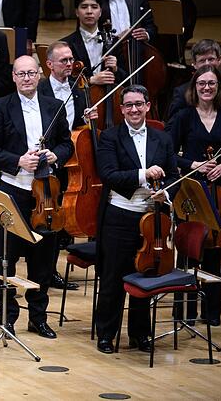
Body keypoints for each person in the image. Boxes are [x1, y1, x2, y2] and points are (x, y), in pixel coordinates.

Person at [0, 55, 73, 340]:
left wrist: (58, 154)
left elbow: (67, 142)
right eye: (21, 74)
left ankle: (38, 318)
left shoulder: (54, 106)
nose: (27, 78)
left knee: (42, 260)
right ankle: (6, 318)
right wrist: (18, 160)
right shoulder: (0, 107)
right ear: (13, 77)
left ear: (40, 75)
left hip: (46, 194)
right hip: (13, 193)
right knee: (6, 259)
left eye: (32, 73)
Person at [93, 84, 180, 354]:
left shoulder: (161, 138)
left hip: (152, 217)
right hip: (120, 216)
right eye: (128, 105)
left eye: (139, 104)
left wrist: (166, 194)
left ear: (147, 106)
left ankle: (141, 334)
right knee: (113, 278)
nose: (134, 109)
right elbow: (108, 175)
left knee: (146, 274)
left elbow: (174, 175)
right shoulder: (109, 137)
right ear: (121, 109)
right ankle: (107, 334)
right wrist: (144, 174)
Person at [166, 65, 221, 325]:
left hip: (220, 189)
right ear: (194, 87)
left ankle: (212, 312)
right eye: (202, 84)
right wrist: (193, 165)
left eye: (211, 83)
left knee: (213, 251)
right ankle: (184, 311)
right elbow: (169, 153)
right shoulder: (183, 117)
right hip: (191, 190)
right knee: (188, 250)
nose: (207, 88)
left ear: (218, 87)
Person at [37, 41, 98, 290]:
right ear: (49, 64)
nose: (69, 64)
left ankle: (55, 270)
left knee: (64, 217)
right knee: (49, 218)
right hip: (49, 158)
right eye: (63, 60)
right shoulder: (40, 89)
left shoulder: (79, 87)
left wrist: (89, 118)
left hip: (73, 158)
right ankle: (46, 271)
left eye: (71, 59)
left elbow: (78, 125)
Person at [59, 0, 127, 110]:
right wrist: (90, 80)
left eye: (94, 7)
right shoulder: (65, 45)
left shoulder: (114, 42)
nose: (89, 11)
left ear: (100, 12)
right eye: (84, 7)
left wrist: (116, 69)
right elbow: (61, 79)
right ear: (76, 12)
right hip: (78, 103)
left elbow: (126, 78)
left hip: (110, 103)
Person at [167, 40, 221, 121]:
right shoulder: (181, 92)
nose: (207, 64)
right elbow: (172, 126)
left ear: (219, 60)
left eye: (211, 59)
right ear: (194, 64)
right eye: (202, 60)